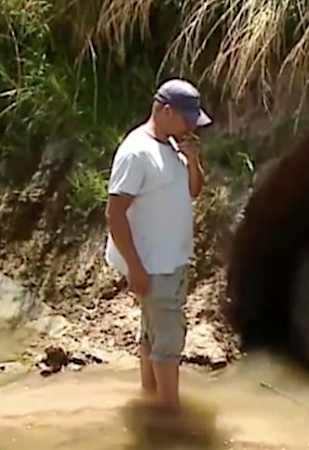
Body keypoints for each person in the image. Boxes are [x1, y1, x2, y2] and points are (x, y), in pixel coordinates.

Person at [104, 78, 212, 411]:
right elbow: (115, 213)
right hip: (154, 265)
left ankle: (151, 400)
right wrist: (135, 267)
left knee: (152, 334)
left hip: (168, 261)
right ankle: (169, 419)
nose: (193, 126)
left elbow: (193, 191)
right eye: (188, 118)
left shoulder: (171, 145)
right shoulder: (137, 152)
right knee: (168, 341)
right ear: (166, 111)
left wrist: (192, 160)